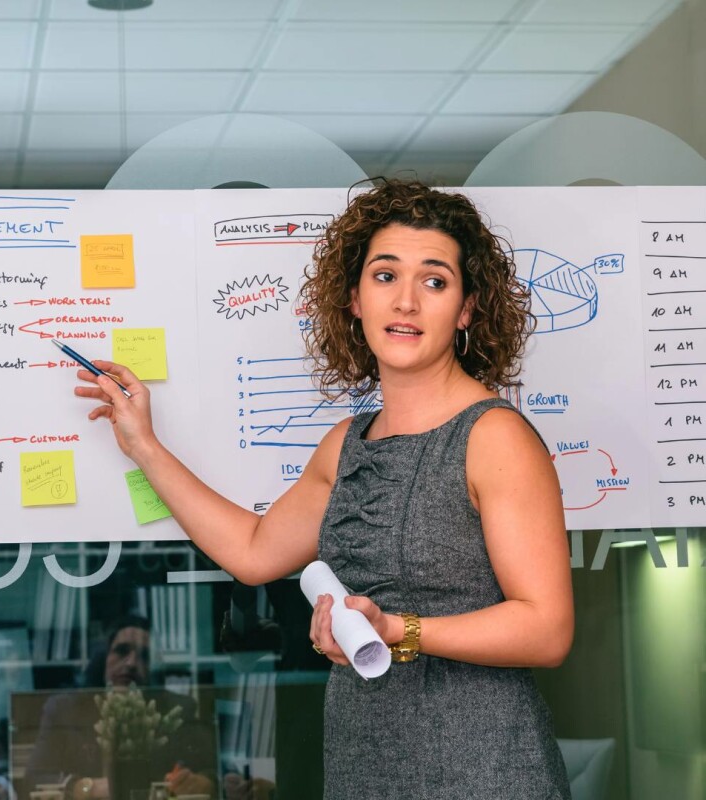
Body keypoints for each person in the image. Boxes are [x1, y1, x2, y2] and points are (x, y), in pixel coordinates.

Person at [74, 180, 574, 799]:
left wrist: (398, 630)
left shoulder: (494, 437)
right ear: (356, 301)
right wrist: (143, 444)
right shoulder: (347, 443)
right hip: (365, 759)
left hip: (485, 769)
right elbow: (254, 552)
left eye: (435, 281)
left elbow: (546, 629)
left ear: (468, 308)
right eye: (385, 276)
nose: (408, 302)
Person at [24, 616, 214, 799]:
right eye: (122, 651)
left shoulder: (178, 709)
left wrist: (203, 783)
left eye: (144, 656)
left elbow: (212, 772)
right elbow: (33, 778)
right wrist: (86, 787)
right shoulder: (65, 709)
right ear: (103, 658)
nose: (131, 663)